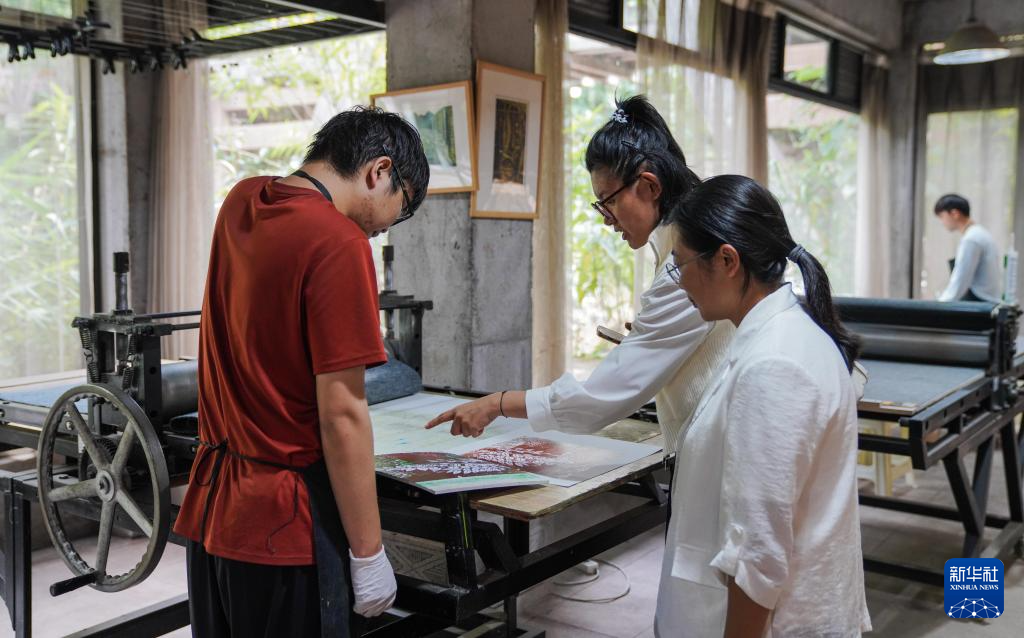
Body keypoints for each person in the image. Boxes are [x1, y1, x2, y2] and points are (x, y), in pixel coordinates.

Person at [173, 106, 429, 637]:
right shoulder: (339, 242)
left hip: (214, 508)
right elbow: (343, 414)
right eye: (401, 207)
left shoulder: (241, 200)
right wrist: (369, 553)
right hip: (284, 528)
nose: (386, 227)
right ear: (379, 171)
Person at [426, 95, 734, 449]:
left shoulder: (685, 266)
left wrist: (498, 403)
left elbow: (603, 396)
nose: (606, 218)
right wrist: (649, 338)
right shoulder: (680, 248)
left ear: (650, 187)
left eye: (609, 200)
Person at [659, 174, 871, 637]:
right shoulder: (781, 334)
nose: (679, 282)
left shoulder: (774, 364)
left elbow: (759, 553)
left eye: (680, 265)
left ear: (727, 260)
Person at [934, 193, 1002, 302]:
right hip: (988, 302)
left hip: (980, 304)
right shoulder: (980, 233)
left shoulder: (971, 239)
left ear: (955, 213)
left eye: (942, 216)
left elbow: (960, 280)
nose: (942, 222)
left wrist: (940, 305)